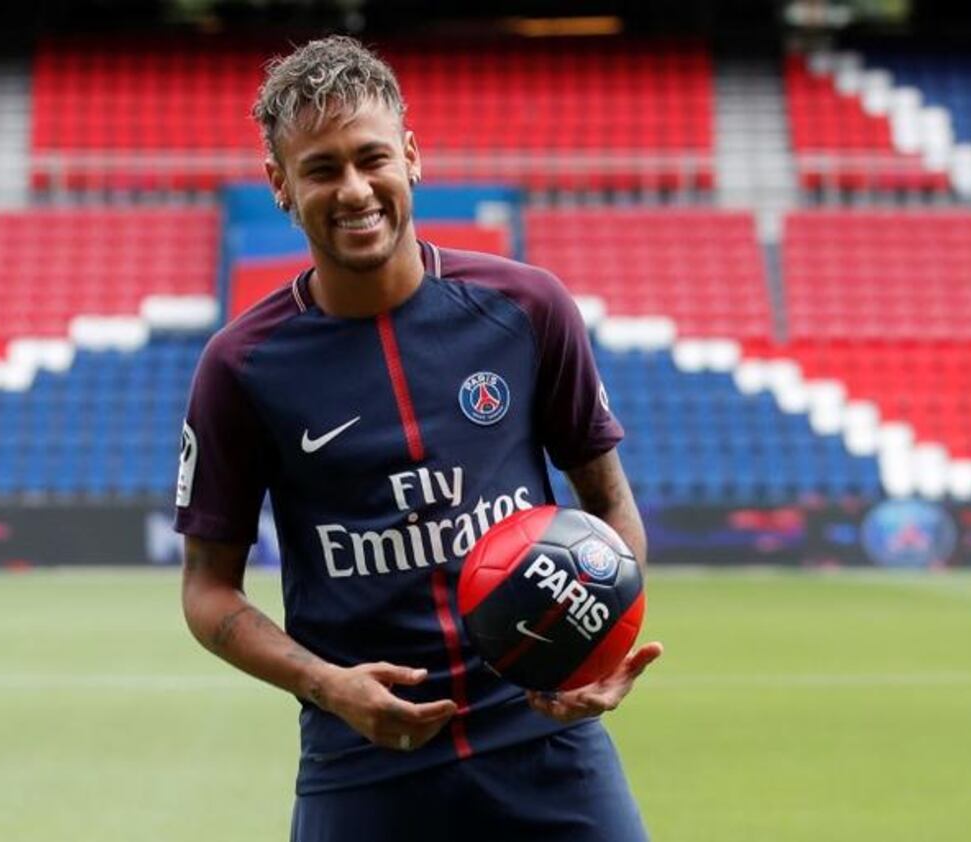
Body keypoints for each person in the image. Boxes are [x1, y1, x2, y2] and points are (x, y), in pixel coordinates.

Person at [175, 35, 663, 842]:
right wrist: (329, 686)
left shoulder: (528, 308)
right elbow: (206, 591)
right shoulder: (240, 366)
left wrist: (595, 648)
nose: (354, 189)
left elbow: (606, 500)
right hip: (360, 761)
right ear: (280, 187)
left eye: (372, 159)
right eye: (322, 169)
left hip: (545, 741)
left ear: (412, 156)